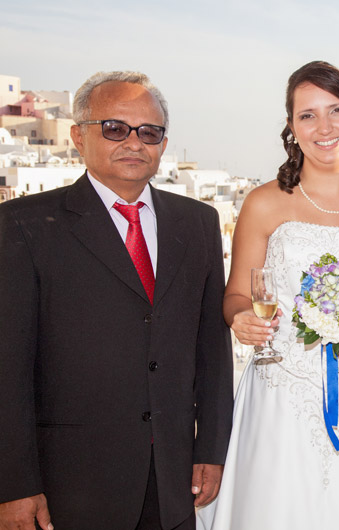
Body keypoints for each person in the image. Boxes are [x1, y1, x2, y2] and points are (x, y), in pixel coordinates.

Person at [0, 71, 233, 530]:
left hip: (173, 481)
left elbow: (211, 349)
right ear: (77, 136)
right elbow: (7, 368)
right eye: (114, 128)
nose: (134, 142)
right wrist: (13, 486)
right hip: (68, 486)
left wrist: (210, 450)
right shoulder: (23, 224)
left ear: (163, 144)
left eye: (149, 132)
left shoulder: (198, 223)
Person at [196, 61, 339, 530]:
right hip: (280, 393)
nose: (324, 127)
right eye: (307, 115)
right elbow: (236, 295)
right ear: (291, 127)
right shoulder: (264, 202)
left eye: (336, 110)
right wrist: (241, 320)